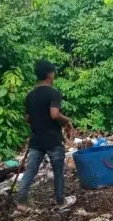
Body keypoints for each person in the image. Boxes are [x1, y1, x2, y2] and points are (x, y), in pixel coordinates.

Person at [16, 60, 74, 211]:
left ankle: (21, 202)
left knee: (30, 171)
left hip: (36, 140)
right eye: (53, 73)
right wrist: (67, 120)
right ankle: (61, 201)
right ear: (50, 74)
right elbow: (54, 115)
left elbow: (28, 119)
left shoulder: (30, 96)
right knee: (58, 172)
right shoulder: (53, 93)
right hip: (52, 139)